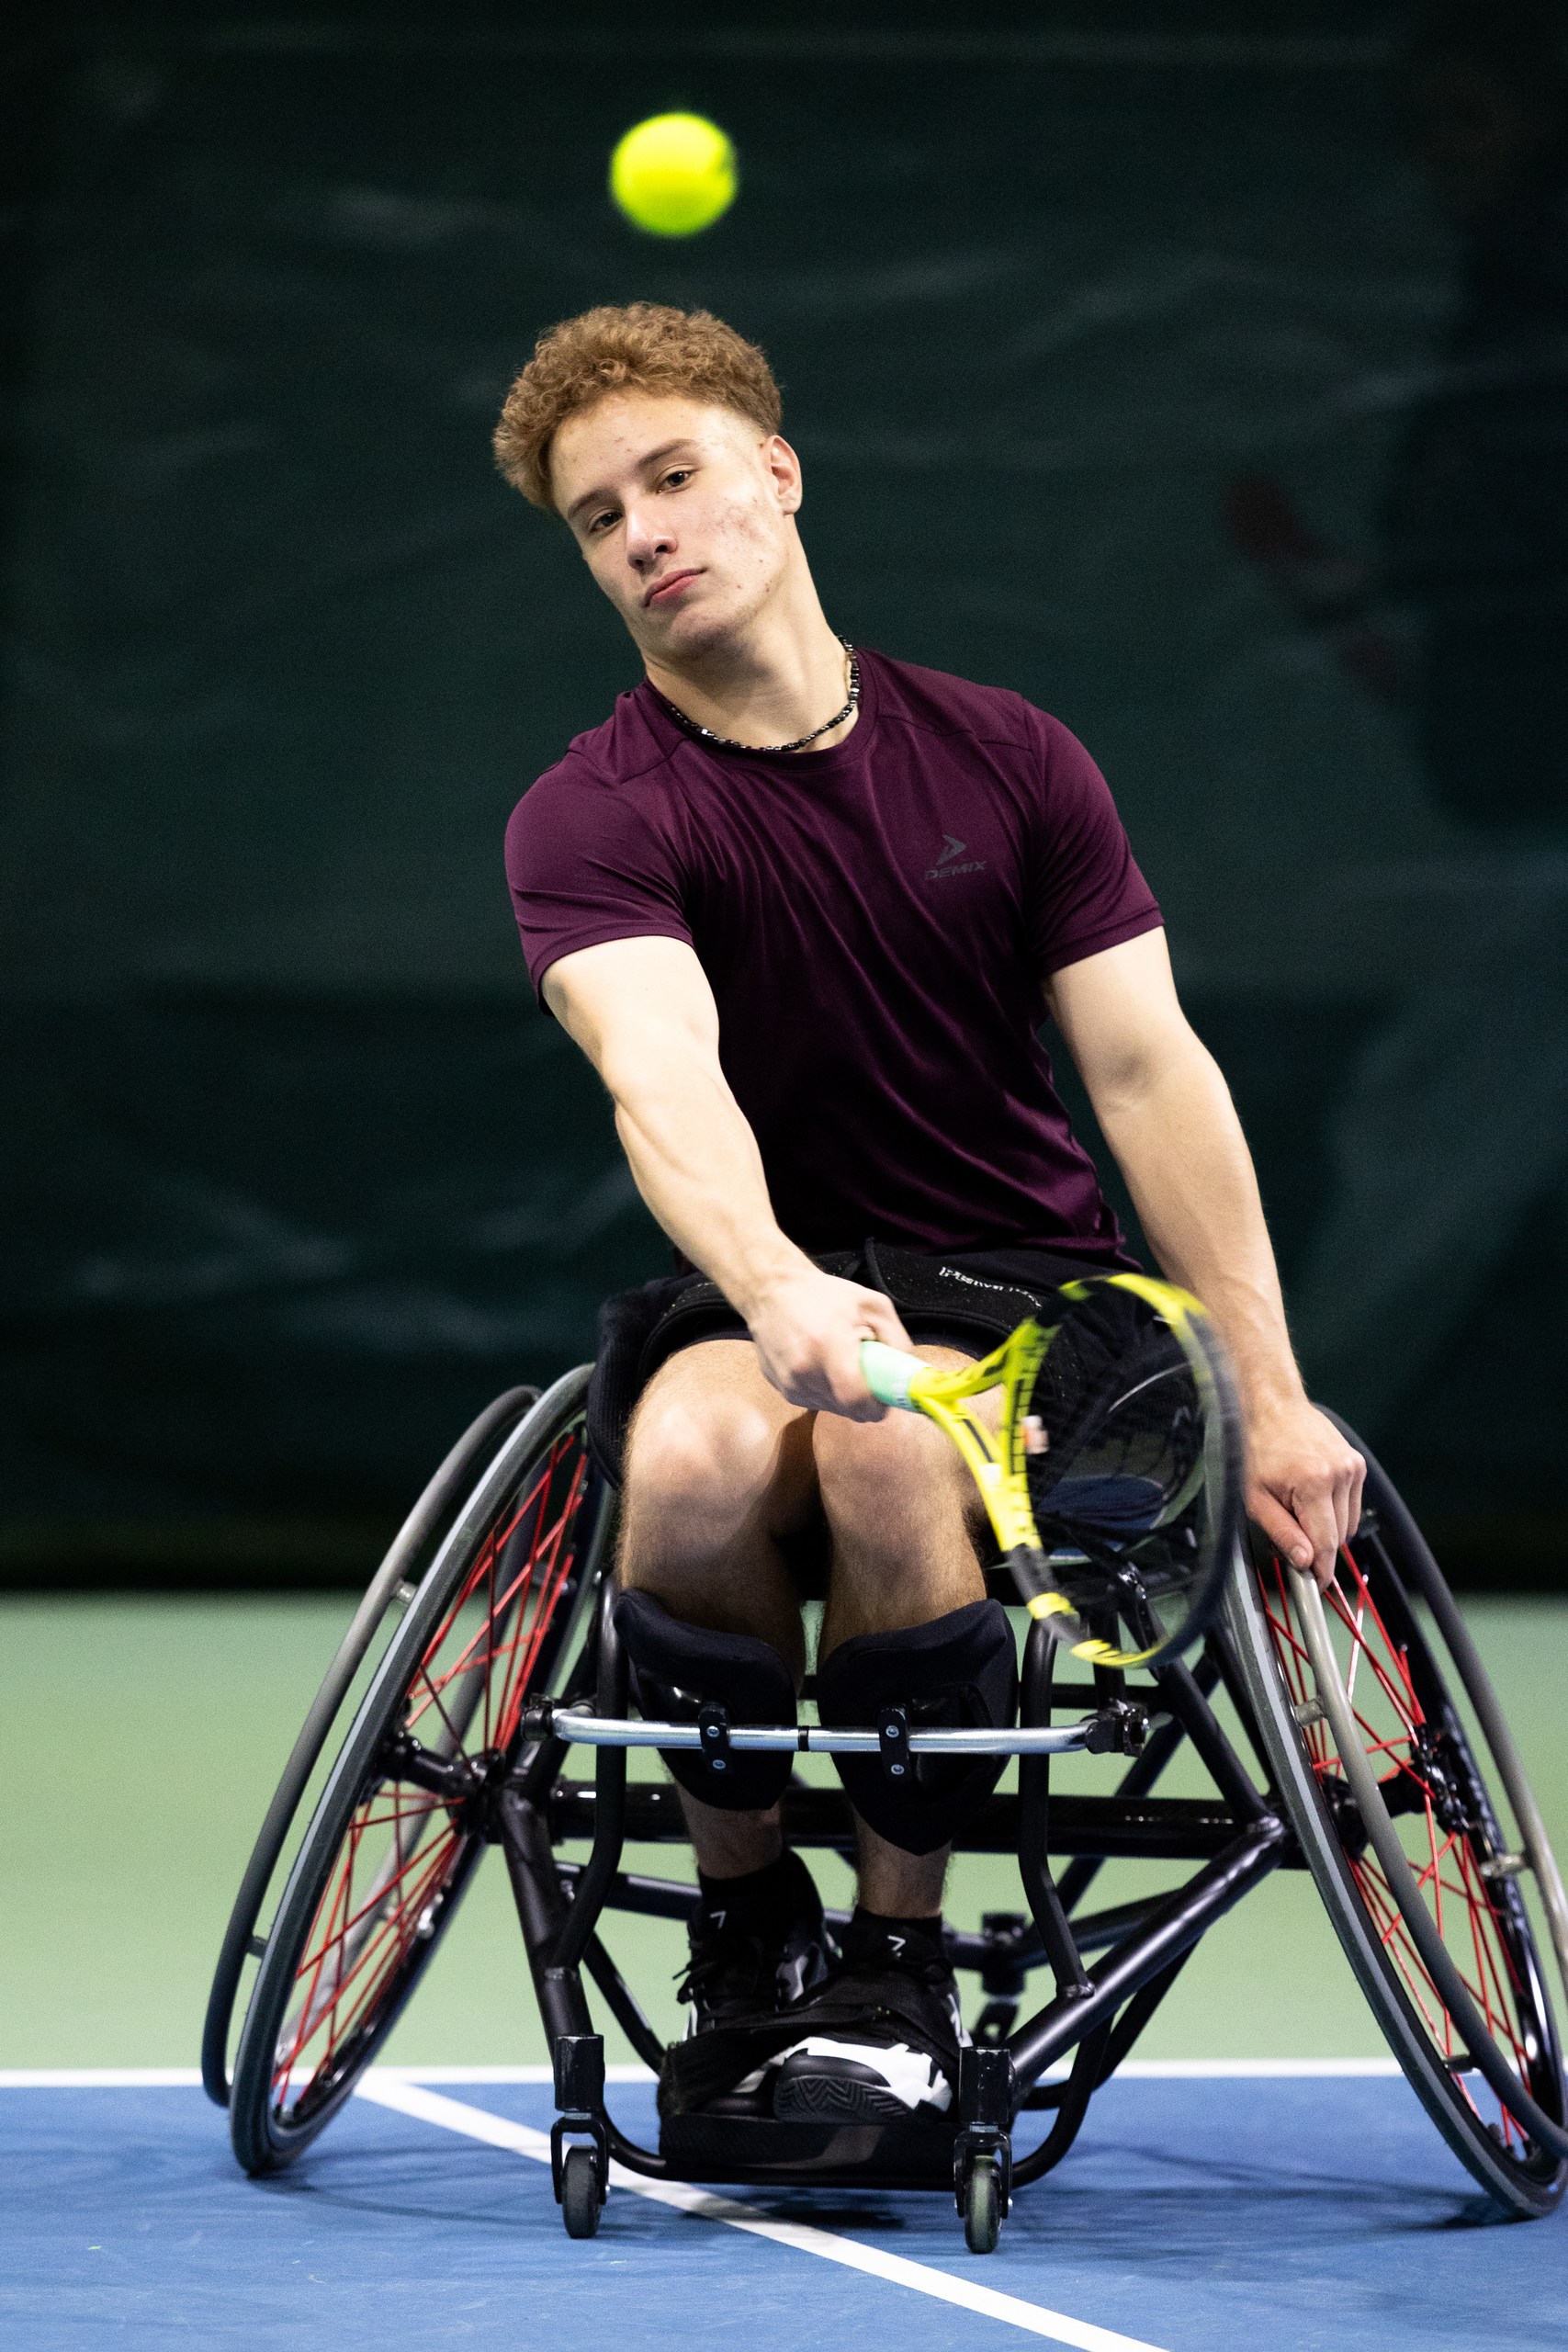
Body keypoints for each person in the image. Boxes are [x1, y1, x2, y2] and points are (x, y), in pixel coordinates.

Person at [493, 301, 1362, 2134]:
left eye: (674, 478)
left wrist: (1272, 1395)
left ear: (778, 472)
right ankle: (749, 1943)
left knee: (890, 1457)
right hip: (769, 1294)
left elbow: (1147, 1073)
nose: (646, 533)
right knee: (688, 1458)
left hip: (1025, 1299)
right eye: (599, 517)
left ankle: (893, 1966)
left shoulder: (1010, 757)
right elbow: (662, 1072)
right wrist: (774, 1283)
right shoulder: (589, 814)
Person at [1227, 0, 1568, 1443]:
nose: (1439, 158)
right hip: (1519, 814)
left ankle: (1294, 1450)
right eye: (1421, 126)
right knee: (1426, 1132)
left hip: (1540, 830)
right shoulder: (1506, 293)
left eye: (1468, 120)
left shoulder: (1540, 283)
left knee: (1426, 1140)